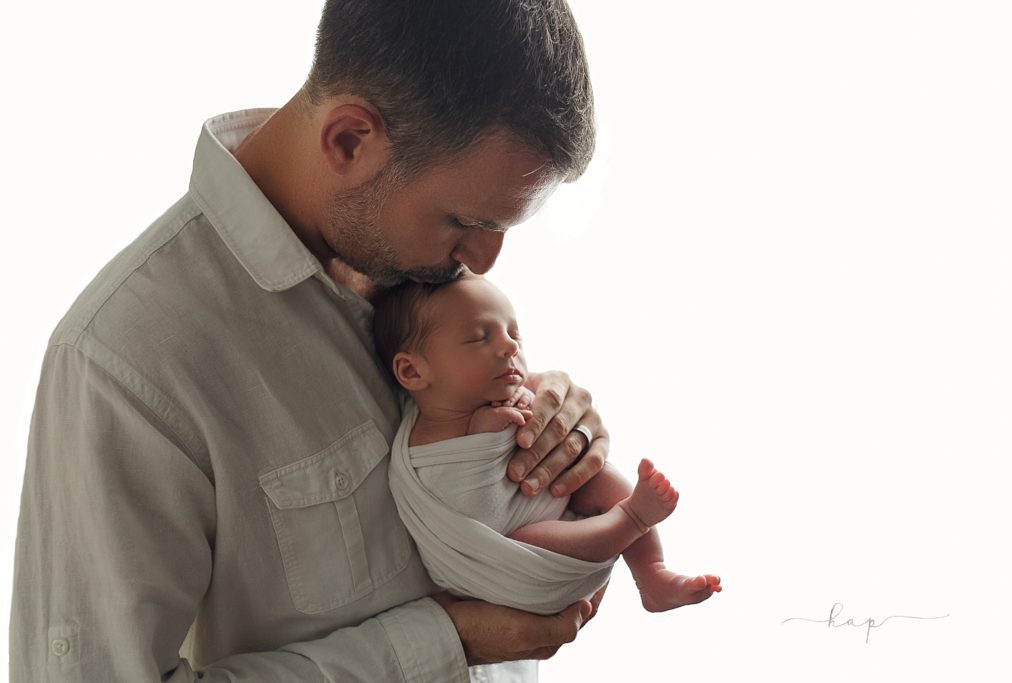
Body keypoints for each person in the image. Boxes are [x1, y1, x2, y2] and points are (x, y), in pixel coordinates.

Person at [10, 2, 615, 681]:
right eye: (467, 221)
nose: (484, 259)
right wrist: (445, 641)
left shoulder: (412, 256)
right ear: (350, 140)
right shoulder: (124, 359)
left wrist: (556, 435)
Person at [375, 274, 723, 615]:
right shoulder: (427, 434)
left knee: (600, 475)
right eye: (479, 338)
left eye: (514, 334)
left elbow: (546, 414)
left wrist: (534, 398)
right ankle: (631, 518)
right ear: (412, 372)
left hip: (548, 503)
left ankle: (652, 573)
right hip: (505, 560)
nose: (510, 346)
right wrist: (489, 430)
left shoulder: (494, 393)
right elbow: (455, 477)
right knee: (537, 540)